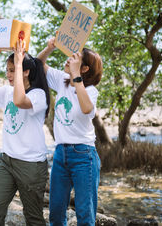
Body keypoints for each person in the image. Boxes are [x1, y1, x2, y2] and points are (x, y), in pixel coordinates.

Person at [0, 40, 50, 226]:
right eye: (7, 70)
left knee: (33, 218)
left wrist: (19, 61)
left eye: (12, 70)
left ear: (26, 72)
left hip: (31, 165)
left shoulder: (38, 95)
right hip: (6, 161)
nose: (8, 74)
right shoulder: (7, 91)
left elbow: (19, 100)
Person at [37, 37, 103, 226]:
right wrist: (49, 47)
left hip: (84, 155)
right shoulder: (62, 81)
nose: (68, 59)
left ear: (84, 69)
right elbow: (37, 65)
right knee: (56, 212)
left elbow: (86, 109)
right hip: (60, 154)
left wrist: (75, 77)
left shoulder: (90, 91)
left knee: (85, 213)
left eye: (75, 58)